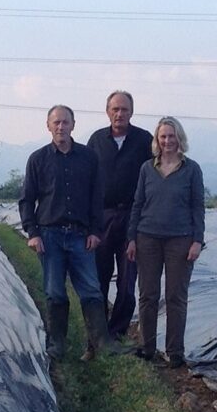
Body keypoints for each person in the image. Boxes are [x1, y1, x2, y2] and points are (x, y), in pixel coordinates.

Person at [19, 105, 124, 361]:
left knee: (91, 290)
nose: (61, 127)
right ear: (48, 126)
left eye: (65, 122)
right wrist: (32, 233)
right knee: (55, 291)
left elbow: (96, 197)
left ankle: (102, 343)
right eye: (56, 123)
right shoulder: (38, 159)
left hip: (80, 236)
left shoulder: (88, 158)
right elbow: (26, 199)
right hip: (49, 235)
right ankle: (57, 345)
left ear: (73, 125)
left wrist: (95, 231)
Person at [126, 116, 205, 369]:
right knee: (148, 295)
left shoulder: (191, 169)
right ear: (157, 140)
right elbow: (138, 204)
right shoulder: (147, 168)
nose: (168, 141)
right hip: (147, 237)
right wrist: (131, 237)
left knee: (175, 296)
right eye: (163, 136)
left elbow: (197, 207)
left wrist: (197, 241)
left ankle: (175, 352)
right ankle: (148, 347)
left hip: (180, 240)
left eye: (172, 136)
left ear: (179, 138)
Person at [86, 91, 153, 357]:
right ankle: (98, 336)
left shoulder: (144, 140)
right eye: (115, 109)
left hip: (131, 218)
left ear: (132, 112)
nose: (119, 114)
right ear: (107, 111)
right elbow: (87, 180)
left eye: (124, 109)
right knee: (98, 279)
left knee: (127, 282)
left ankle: (118, 334)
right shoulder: (96, 141)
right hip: (102, 218)